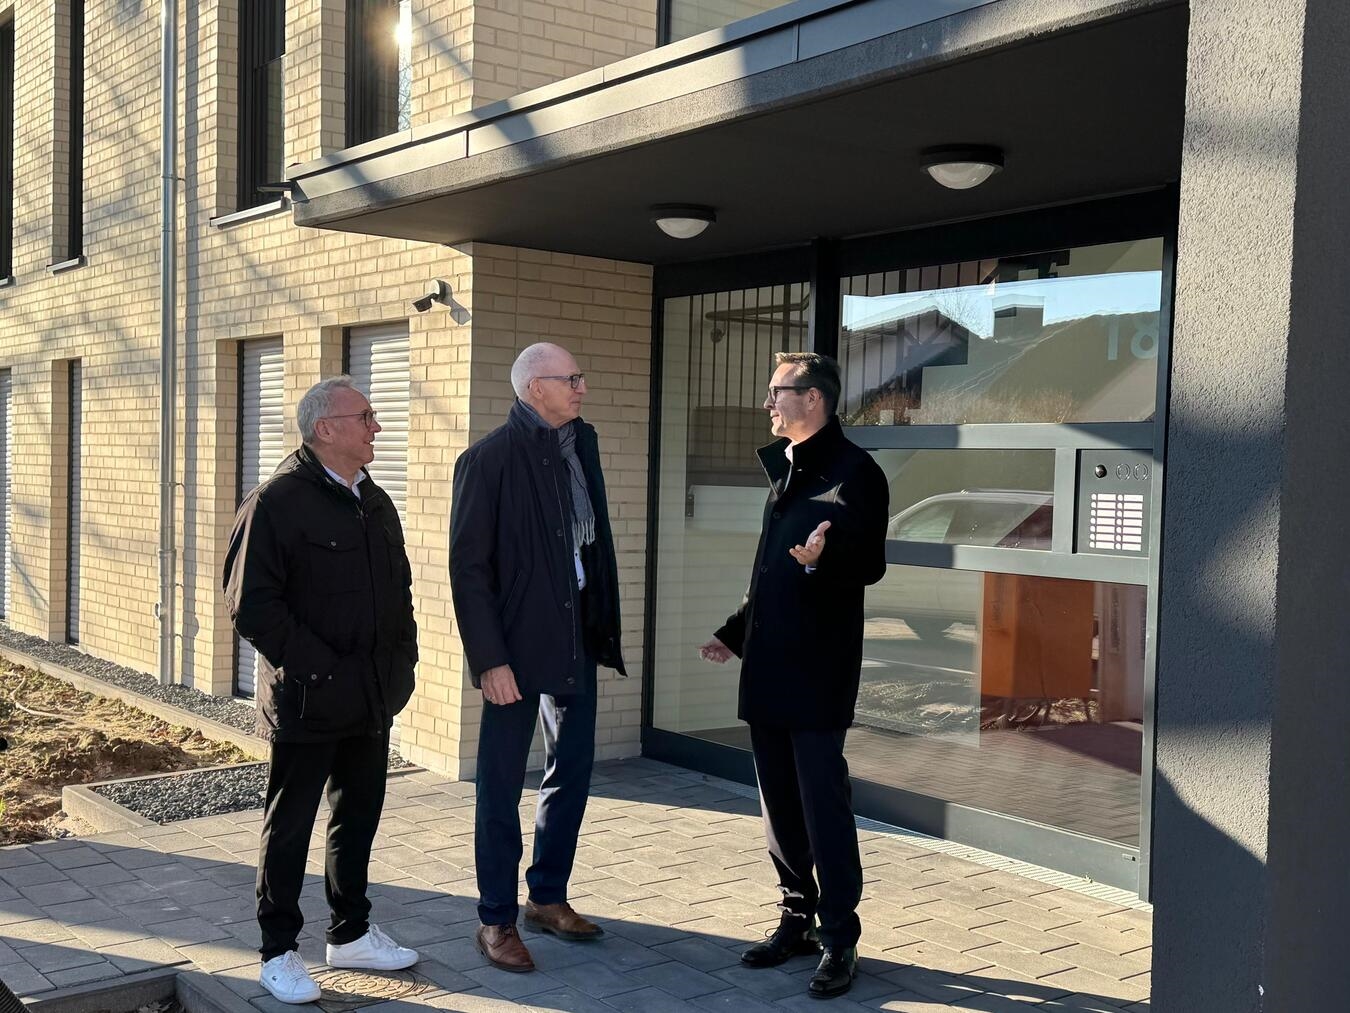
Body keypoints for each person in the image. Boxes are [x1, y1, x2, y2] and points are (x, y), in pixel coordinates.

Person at [224, 377, 420, 1005]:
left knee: (358, 816)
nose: (376, 427)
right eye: (366, 416)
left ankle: (351, 932)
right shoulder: (276, 501)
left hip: (370, 698)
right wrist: (323, 671)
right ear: (325, 428)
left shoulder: (374, 500)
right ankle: (277, 952)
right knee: (291, 826)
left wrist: (403, 663)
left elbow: (398, 592)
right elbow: (252, 607)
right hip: (309, 699)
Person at [699, 351, 888, 999]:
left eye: (776, 391)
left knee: (821, 805)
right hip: (769, 667)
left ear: (813, 398)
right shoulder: (784, 467)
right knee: (779, 805)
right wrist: (734, 632)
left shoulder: (856, 471)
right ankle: (796, 919)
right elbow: (769, 573)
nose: (767, 403)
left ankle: (839, 936)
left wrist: (820, 562)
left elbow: (869, 565)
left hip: (818, 671)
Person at [449, 342, 627, 973]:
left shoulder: (581, 445)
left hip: (575, 633)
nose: (581, 387)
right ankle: (495, 919)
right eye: (569, 378)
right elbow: (469, 571)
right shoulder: (487, 460)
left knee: (571, 768)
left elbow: (589, 543)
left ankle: (547, 897)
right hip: (514, 647)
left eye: (580, 376)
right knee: (500, 782)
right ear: (534, 389)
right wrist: (489, 660)